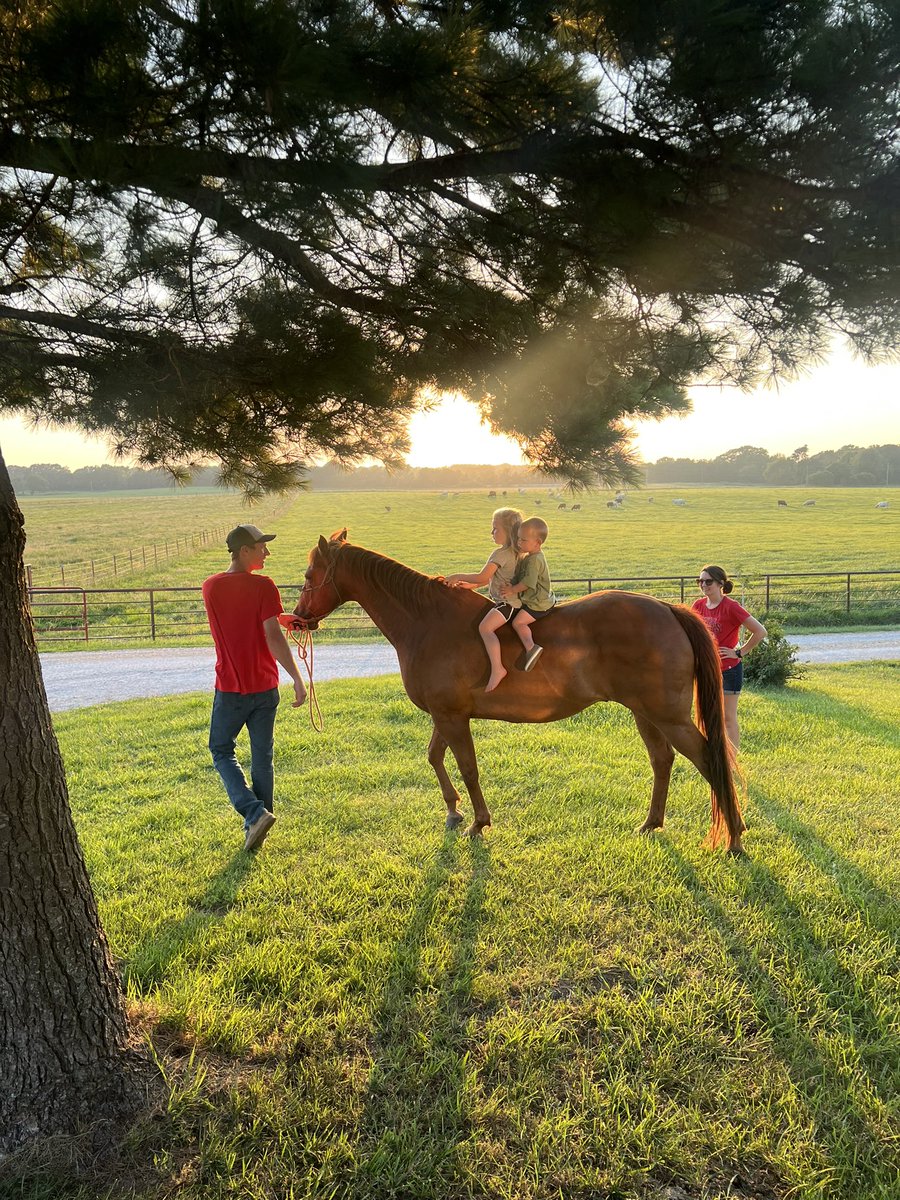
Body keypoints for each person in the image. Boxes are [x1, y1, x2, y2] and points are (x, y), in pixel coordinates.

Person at [202, 523, 306, 852]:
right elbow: (270, 635)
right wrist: (298, 677)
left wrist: (278, 618)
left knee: (221, 750)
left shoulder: (211, 587)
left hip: (231, 687)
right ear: (244, 550)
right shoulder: (264, 587)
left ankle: (254, 817)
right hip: (264, 687)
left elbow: (245, 619)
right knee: (262, 758)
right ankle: (257, 816)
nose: (267, 552)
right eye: (262, 547)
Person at [691, 564, 767, 751]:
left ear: (720, 584)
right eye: (700, 581)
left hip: (729, 670)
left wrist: (739, 652)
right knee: (708, 714)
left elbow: (760, 631)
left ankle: (732, 759)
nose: (704, 585)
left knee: (727, 717)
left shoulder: (731, 607)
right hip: (706, 669)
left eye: (708, 581)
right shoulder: (698, 606)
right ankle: (713, 753)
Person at [480, 516, 555, 691]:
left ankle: (531, 648)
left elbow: (528, 583)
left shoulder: (534, 560)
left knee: (518, 623)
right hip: (536, 598)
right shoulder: (528, 556)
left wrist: (512, 590)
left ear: (537, 543)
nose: (519, 543)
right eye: (519, 539)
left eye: (523, 540)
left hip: (538, 602)